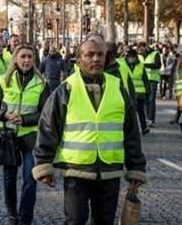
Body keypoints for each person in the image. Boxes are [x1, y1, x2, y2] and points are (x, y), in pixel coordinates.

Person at [33, 39, 146, 225]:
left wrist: (136, 167)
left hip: (110, 170)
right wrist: (44, 164)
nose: (96, 59)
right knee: (75, 220)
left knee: (105, 221)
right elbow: (48, 127)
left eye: (100, 55)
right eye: (89, 55)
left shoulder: (118, 87)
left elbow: (131, 131)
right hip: (76, 170)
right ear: (78, 60)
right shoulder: (66, 89)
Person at [0, 44, 49, 225]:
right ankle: (12, 212)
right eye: (23, 56)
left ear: (34, 60)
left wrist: (25, 119)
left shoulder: (41, 83)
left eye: (30, 57)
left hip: (30, 136)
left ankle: (25, 218)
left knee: (31, 178)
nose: (26, 60)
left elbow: (45, 112)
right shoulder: (3, 80)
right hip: (7, 135)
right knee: (9, 178)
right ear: (15, 58)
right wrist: (4, 114)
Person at [123, 49, 150, 134]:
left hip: (140, 93)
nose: (131, 59)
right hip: (128, 93)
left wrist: (147, 90)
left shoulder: (140, 66)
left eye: (133, 57)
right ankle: (130, 130)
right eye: (130, 57)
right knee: (129, 113)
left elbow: (145, 79)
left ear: (136, 58)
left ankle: (144, 128)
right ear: (127, 58)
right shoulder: (123, 66)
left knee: (141, 111)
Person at [138, 42, 161, 125]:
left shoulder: (155, 54)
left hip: (152, 79)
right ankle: (147, 118)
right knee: (145, 100)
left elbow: (158, 65)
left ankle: (151, 119)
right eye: (139, 49)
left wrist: (144, 65)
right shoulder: (139, 56)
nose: (141, 50)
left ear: (146, 47)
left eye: (142, 48)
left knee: (151, 99)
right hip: (142, 80)